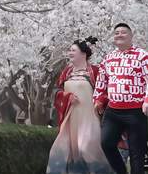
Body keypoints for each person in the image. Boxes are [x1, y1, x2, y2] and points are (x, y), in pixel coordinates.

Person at [47, 36, 114, 173]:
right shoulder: (67, 72)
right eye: (69, 50)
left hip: (90, 119)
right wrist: (67, 96)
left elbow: (105, 91)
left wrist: (101, 102)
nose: (69, 53)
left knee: (87, 148)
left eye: (73, 50)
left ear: (83, 53)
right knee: (69, 151)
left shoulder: (95, 71)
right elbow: (57, 91)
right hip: (71, 119)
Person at [93, 23, 148, 174]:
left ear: (131, 36)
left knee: (137, 152)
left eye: (123, 32)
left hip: (136, 111)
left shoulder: (142, 56)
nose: (119, 35)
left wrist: (146, 100)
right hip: (113, 111)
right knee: (106, 143)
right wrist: (98, 99)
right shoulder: (108, 58)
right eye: (116, 32)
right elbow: (101, 81)